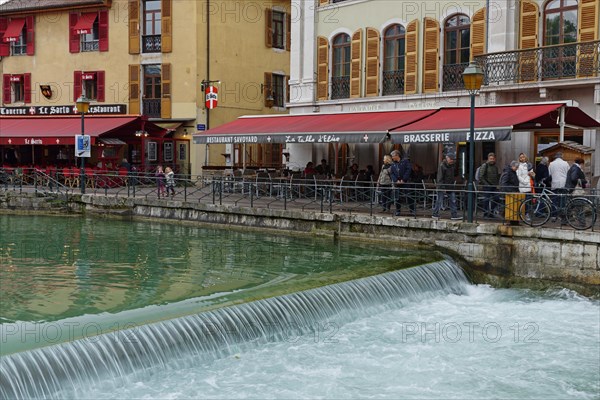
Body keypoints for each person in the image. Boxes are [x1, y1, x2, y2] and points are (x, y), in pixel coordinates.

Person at [432, 153, 460, 220]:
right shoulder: (442, 166)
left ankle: (454, 215)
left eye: (453, 159)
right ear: (447, 158)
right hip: (442, 186)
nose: (452, 160)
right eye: (451, 159)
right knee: (439, 200)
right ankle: (435, 214)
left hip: (450, 186)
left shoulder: (452, 166)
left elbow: (452, 177)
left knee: (453, 200)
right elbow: (440, 178)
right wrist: (443, 187)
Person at [390, 150, 415, 216]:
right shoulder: (393, 164)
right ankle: (398, 211)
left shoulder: (405, 161)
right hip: (397, 182)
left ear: (397, 155)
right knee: (397, 197)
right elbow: (392, 173)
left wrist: (403, 179)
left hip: (405, 182)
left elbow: (408, 170)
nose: (392, 158)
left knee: (409, 196)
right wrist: (396, 180)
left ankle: (412, 210)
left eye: (393, 156)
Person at [548, 152, 570, 218]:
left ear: (555, 157)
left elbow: (550, 174)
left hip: (554, 183)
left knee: (554, 200)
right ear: (562, 156)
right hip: (563, 183)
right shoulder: (565, 163)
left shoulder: (551, 164)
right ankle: (562, 215)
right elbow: (568, 173)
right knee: (563, 200)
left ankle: (554, 215)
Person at [478, 152, 500, 219]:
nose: (492, 160)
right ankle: (485, 213)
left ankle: (491, 212)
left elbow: (496, 176)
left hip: (494, 186)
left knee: (496, 199)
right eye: (490, 158)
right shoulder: (485, 165)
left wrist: (497, 185)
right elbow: (481, 176)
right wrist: (486, 184)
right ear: (488, 159)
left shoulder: (495, 167)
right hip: (487, 186)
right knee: (486, 200)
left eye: (493, 158)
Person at [516, 153, 535, 219]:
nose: (522, 158)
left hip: (529, 186)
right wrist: (525, 182)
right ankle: (524, 215)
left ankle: (527, 214)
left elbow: (533, 175)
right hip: (523, 186)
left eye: (523, 157)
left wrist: (532, 174)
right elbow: (519, 176)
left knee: (529, 202)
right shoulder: (519, 166)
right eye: (521, 157)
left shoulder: (529, 165)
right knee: (524, 202)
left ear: (525, 157)